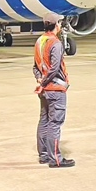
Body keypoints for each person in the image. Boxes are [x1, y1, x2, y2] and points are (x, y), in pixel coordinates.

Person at [33, 12, 75, 168]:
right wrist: (44, 82)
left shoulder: (40, 41)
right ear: (56, 24)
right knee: (54, 123)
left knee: (44, 121)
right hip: (55, 89)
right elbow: (54, 68)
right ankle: (55, 159)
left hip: (44, 90)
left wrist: (39, 80)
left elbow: (35, 67)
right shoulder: (56, 43)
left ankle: (43, 155)